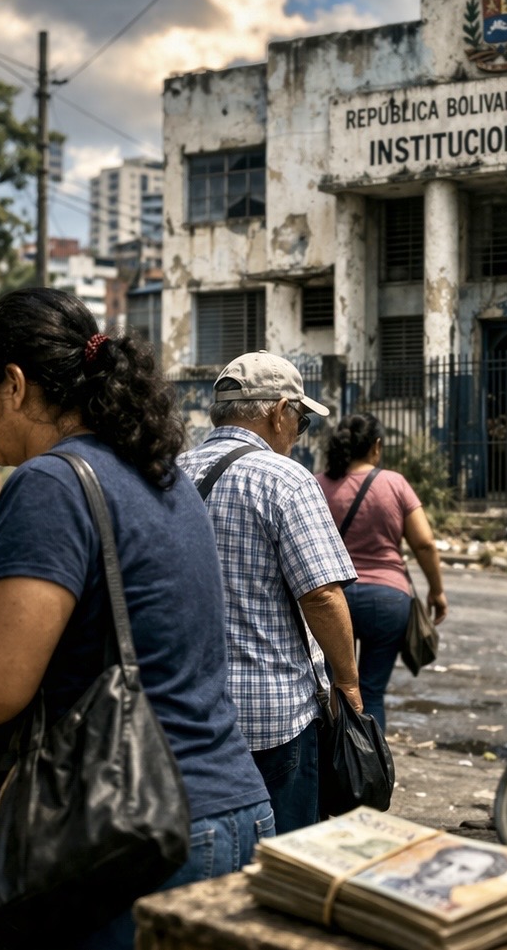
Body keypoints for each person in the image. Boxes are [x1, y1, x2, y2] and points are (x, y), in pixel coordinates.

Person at [0, 288, 271, 948]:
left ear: (13, 385)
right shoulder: (154, 469)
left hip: (124, 835)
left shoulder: (48, 483)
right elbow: (112, 606)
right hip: (222, 810)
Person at [176, 351, 361, 835]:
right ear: (280, 412)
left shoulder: (168, 474)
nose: (296, 435)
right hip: (270, 718)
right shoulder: (285, 478)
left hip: (183, 714)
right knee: (278, 866)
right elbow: (321, 596)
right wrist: (349, 684)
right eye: (299, 421)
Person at [316, 413, 448, 732]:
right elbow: (425, 544)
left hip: (331, 599)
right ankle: (369, 775)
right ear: (376, 446)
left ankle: (329, 774)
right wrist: (437, 591)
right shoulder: (394, 483)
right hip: (387, 601)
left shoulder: (316, 483)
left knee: (333, 691)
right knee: (371, 694)